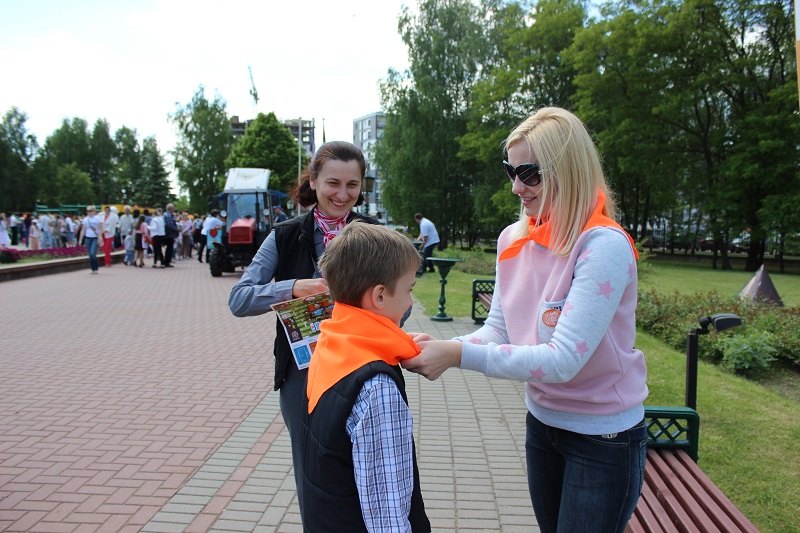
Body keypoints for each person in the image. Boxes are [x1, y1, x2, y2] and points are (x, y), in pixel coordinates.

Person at [402, 107, 648, 533]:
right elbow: (498, 329)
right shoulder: (513, 238)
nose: (517, 186)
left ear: (567, 170)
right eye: (510, 171)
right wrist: (438, 346)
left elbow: (562, 361)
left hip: (603, 439)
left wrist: (456, 354)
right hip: (544, 424)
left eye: (529, 173)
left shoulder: (602, 246)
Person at [228, 141, 378, 514]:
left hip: (362, 369)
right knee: (312, 472)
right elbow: (239, 299)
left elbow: (400, 307)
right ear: (313, 181)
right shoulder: (285, 235)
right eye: (333, 183)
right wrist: (292, 288)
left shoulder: (375, 234)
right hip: (303, 374)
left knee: (368, 469)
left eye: (352, 185)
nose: (342, 195)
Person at [298, 222, 430, 531]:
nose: (411, 302)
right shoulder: (377, 387)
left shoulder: (333, 341)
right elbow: (387, 515)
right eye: (409, 289)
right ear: (380, 296)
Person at [78, 206, 103, 274]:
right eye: (88, 211)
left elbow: (100, 229)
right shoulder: (85, 219)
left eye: (90, 211)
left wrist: (100, 238)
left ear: (94, 211)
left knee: (92, 253)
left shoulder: (97, 219)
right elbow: (83, 230)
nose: (89, 212)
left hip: (95, 237)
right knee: (90, 254)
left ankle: (96, 267)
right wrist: (80, 239)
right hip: (88, 237)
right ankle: (93, 268)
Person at [162, 203, 179, 267]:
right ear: (170, 209)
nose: (174, 209)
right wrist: (177, 229)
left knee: (168, 248)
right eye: (173, 208)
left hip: (167, 234)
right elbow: (170, 225)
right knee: (169, 248)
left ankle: (166, 261)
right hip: (169, 234)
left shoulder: (166, 215)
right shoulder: (168, 215)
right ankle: (167, 261)